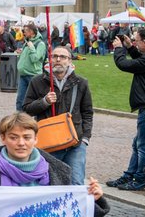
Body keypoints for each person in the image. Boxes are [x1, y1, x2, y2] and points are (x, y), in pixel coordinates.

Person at [21, 46, 94, 185]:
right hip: (48, 143)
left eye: (63, 57)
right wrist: (44, 102)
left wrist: (85, 139)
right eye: (54, 56)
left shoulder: (81, 83)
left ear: (70, 61)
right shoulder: (37, 81)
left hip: (75, 143)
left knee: (76, 183)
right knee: (48, 183)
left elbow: (87, 112)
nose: (58, 59)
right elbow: (26, 109)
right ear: (50, 59)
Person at [108, 28, 145, 190]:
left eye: (137, 40)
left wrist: (119, 48)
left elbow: (124, 64)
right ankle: (130, 175)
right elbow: (141, 61)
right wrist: (130, 47)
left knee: (144, 145)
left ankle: (140, 180)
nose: (135, 42)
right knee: (139, 144)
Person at [15, 24, 47, 111]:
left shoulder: (40, 44)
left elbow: (35, 59)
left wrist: (32, 48)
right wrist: (21, 52)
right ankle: (20, 117)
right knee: (20, 100)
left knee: (33, 100)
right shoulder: (27, 42)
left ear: (31, 32)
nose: (24, 33)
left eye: (25, 31)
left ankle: (32, 117)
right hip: (23, 74)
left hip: (33, 75)